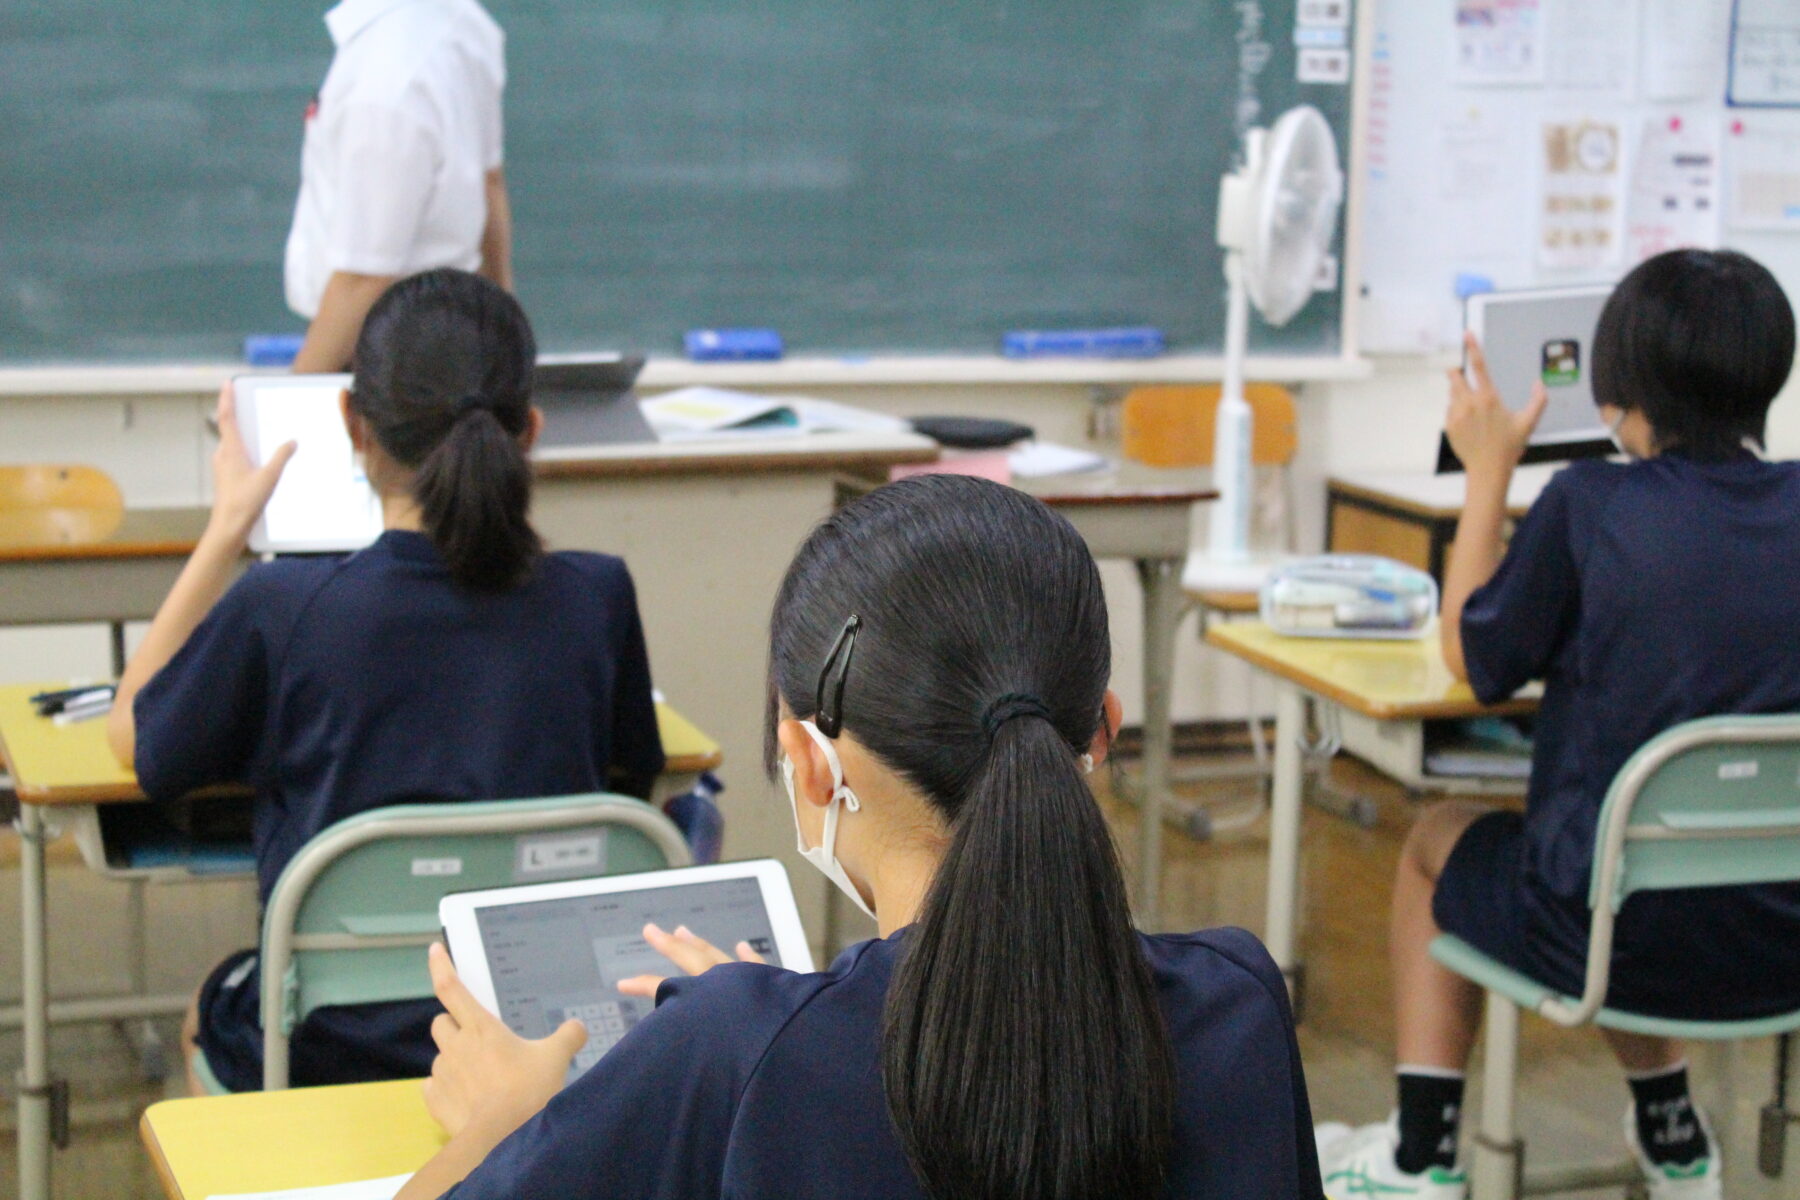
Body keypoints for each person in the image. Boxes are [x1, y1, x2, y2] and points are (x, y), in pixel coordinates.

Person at [391, 473, 1324, 1200]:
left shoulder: (730, 1054)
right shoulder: (1239, 1004)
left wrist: (508, 1122)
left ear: (808, 762)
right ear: (1103, 730)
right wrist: (770, 1030)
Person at [1316, 248, 1800, 1200]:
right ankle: (1672, 1134)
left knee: (1440, 840)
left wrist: (1487, 467)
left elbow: (1471, 657)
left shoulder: (1591, 504)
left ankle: (1420, 1158)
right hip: (1784, 938)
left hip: (1608, 939)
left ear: (1615, 387)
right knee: (1644, 859)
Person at [108, 269, 664, 1093]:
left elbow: (136, 741)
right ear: (531, 432)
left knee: (210, 1005)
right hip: (541, 1031)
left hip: (333, 1044)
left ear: (350, 424)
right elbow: (634, 785)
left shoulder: (284, 607)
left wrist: (228, 524)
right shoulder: (596, 595)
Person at [286, 0, 511, 373]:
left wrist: (288, 414)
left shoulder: (385, 83)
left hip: (383, 365)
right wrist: (504, 347)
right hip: (443, 347)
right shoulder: (463, 20)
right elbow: (490, 184)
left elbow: (363, 279)